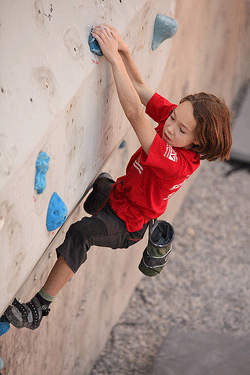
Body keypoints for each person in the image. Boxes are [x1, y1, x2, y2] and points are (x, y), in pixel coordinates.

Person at [4, 24, 232, 330]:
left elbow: (136, 115)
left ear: (197, 143)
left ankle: (39, 307)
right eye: (174, 115)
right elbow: (139, 86)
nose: (170, 126)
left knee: (81, 233)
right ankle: (96, 208)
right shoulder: (176, 119)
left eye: (181, 129)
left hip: (128, 224)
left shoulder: (176, 162)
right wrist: (123, 50)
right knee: (99, 188)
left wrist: (112, 60)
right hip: (119, 194)